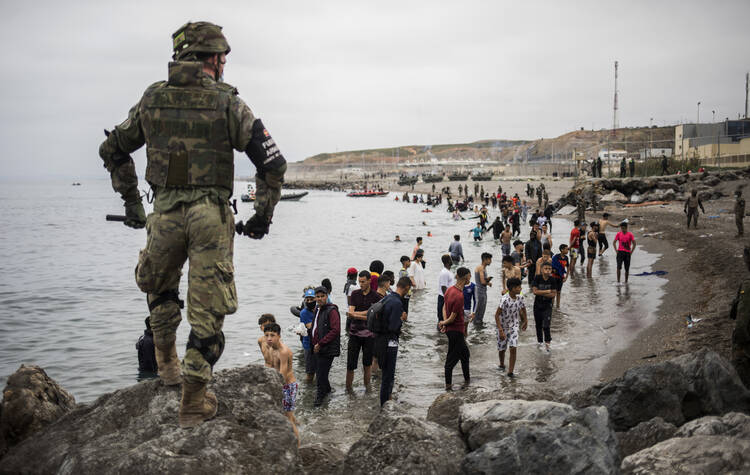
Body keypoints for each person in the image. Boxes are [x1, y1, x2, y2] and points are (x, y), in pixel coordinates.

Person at [99, 22, 286, 428]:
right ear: (213, 58)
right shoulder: (227, 102)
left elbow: (112, 148)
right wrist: (261, 217)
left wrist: (133, 204)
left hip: (163, 215)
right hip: (209, 218)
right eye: (223, 57)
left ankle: (166, 366)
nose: (224, 65)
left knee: (160, 288)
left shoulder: (152, 99)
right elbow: (272, 163)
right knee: (208, 313)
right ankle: (193, 403)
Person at [374, 276, 411, 406]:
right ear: (406, 287)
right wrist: (402, 318)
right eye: (409, 289)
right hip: (390, 342)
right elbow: (393, 326)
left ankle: (387, 401)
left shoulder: (387, 297)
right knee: (388, 376)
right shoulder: (396, 303)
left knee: (386, 374)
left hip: (380, 340)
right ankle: (384, 405)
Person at [260, 323, 299, 445]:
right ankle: (297, 423)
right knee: (287, 414)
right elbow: (271, 366)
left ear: (279, 336)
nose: (269, 338)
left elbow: (282, 375)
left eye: (273, 335)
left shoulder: (284, 351)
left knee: (288, 417)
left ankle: (297, 445)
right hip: (279, 385)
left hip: (288, 387)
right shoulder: (271, 348)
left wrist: (273, 389)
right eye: (266, 335)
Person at [346, 271, 381, 392]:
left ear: (369, 281)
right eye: (359, 282)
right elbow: (351, 313)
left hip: (369, 335)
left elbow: (374, 317)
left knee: (367, 365)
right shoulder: (355, 294)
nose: (360, 284)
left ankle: (368, 389)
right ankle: (348, 390)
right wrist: (366, 313)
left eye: (363, 282)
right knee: (350, 365)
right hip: (354, 334)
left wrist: (357, 314)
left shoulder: (376, 296)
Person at [439, 267, 472, 390]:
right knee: (451, 360)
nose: (470, 278)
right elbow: (453, 318)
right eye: (469, 276)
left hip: (451, 330)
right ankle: (448, 386)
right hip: (456, 331)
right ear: (466, 277)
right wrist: (445, 322)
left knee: (465, 355)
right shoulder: (459, 296)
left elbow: (444, 307)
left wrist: (444, 323)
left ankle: (467, 381)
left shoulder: (449, 290)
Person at [312, 286, 340, 406]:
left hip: (327, 348)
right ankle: (328, 390)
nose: (320, 299)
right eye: (317, 297)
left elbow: (335, 330)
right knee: (321, 372)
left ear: (327, 296)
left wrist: (321, 343)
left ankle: (319, 398)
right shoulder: (318, 309)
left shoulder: (331, 310)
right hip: (318, 347)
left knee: (321, 375)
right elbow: (316, 327)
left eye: (322, 296)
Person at [494, 277, 527, 377]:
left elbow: (523, 308)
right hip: (502, 327)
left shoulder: (520, 297)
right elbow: (496, 315)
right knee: (502, 349)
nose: (521, 288)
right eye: (519, 287)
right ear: (512, 288)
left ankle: (510, 372)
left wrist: (526, 320)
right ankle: (502, 364)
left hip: (514, 326)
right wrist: (500, 330)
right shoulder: (504, 299)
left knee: (513, 347)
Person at [532, 262, 557, 352]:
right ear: (542, 269)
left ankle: (547, 345)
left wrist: (541, 292)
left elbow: (553, 294)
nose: (548, 270)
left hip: (548, 305)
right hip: (537, 305)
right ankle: (540, 343)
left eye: (549, 269)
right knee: (538, 325)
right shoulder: (537, 278)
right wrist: (547, 291)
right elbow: (534, 292)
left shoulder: (552, 279)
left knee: (546, 325)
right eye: (546, 268)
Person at [299, 288, 317, 383]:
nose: (309, 301)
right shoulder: (304, 313)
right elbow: (309, 326)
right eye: (308, 299)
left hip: (320, 343)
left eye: (312, 299)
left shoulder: (319, 309)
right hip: (309, 344)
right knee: (310, 373)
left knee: (321, 371)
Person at [474, 253, 493, 323]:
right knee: (479, 311)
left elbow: (482, 280)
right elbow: (482, 282)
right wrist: (488, 282)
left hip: (482, 291)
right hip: (480, 292)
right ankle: (477, 326)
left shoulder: (483, 268)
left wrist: (487, 281)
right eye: (490, 259)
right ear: (485, 259)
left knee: (481, 310)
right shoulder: (481, 268)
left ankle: (478, 328)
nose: (491, 261)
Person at [438, 254, 456, 327]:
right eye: (451, 259)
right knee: (442, 318)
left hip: (448, 298)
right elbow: (443, 287)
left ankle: (442, 336)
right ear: (448, 261)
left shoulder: (449, 272)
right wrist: (447, 300)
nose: (452, 260)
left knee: (447, 318)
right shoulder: (444, 272)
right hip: (444, 298)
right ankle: (440, 335)